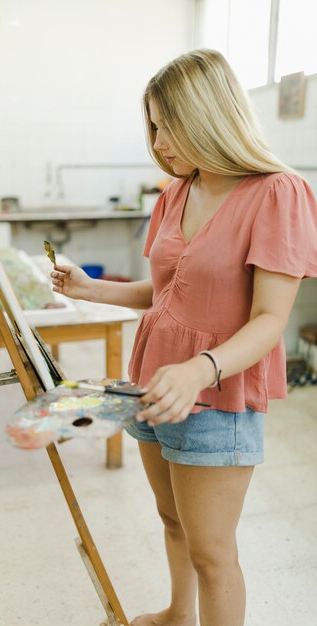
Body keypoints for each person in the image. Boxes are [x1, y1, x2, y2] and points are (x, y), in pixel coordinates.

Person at [50, 49, 317, 626]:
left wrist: (200, 368)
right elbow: (170, 290)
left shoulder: (277, 193)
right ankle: (176, 613)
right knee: (172, 520)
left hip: (214, 393)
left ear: (209, 115)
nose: (158, 140)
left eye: (168, 123)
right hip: (153, 381)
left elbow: (271, 320)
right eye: (152, 125)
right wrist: (92, 290)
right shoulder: (175, 191)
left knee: (213, 552)